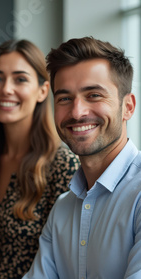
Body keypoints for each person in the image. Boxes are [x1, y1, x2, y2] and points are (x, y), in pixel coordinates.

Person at [23, 37, 140, 278]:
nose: (77, 112)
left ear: (128, 106)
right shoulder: (62, 209)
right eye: (64, 99)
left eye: (94, 95)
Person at [0, 39, 80, 278]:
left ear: (42, 91)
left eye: (20, 79)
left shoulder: (64, 166)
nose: (6, 89)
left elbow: (70, 262)